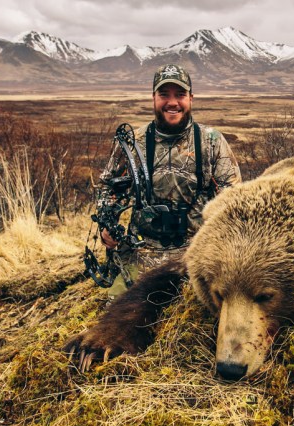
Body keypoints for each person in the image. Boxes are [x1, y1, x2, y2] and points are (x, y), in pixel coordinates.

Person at [99, 63, 242, 298]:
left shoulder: (212, 141)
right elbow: (108, 186)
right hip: (139, 251)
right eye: (164, 95)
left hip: (196, 254)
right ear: (153, 98)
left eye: (180, 95)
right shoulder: (133, 141)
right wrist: (107, 225)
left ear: (191, 98)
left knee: (193, 320)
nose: (172, 102)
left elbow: (232, 202)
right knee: (116, 314)